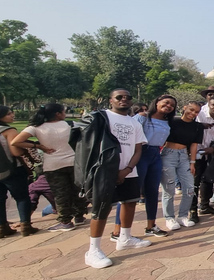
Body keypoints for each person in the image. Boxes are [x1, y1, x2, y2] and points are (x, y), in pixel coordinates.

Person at [74, 89, 150, 269]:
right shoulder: (100, 118)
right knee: (102, 208)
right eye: (119, 97)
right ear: (110, 100)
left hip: (128, 170)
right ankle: (93, 250)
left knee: (130, 203)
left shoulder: (135, 123)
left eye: (128, 98)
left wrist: (127, 169)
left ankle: (125, 237)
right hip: (104, 171)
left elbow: (138, 149)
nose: (124, 100)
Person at [12, 104, 86, 232]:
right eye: (64, 111)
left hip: (52, 164)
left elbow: (16, 142)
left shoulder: (35, 127)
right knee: (77, 190)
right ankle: (79, 216)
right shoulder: (70, 124)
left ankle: (65, 221)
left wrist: (38, 146)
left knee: (60, 193)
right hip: (73, 161)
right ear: (58, 114)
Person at [115, 95, 175, 234]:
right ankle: (118, 230)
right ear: (157, 102)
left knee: (153, 192)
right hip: (140, 154)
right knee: (130, 193)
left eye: (172, 105)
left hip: (155, 155)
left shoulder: (167, 121)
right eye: (166, 102)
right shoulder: (142, 117)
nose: (168, 106)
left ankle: (151, 226)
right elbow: (130, 135)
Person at [161, 101, 204, 229]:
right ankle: (169, 218)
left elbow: (194, 145)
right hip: (169, 153)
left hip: (184, 156)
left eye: (196, 112)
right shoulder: (173, 121)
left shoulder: (197, 126)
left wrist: (192, 162)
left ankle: (182, 216)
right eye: (191, 110)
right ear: (184, 107)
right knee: (169, 188)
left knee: (190, 188)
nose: (193, 113)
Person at [0, 106, 38, 238]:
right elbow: (15, 150)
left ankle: (2, 227)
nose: (12, 115)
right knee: (22, 197)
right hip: (13, 169)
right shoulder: (8, 130)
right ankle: (25, 226)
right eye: (9, 114)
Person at [190, 95, 214, 222]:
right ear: (208, 104)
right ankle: (192, 210)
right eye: (213, 105)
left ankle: (205, 205)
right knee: (194, 183)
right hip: (194, 153)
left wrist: (213, 149)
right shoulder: (199, 115)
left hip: (211, 154)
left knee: (208, 180)